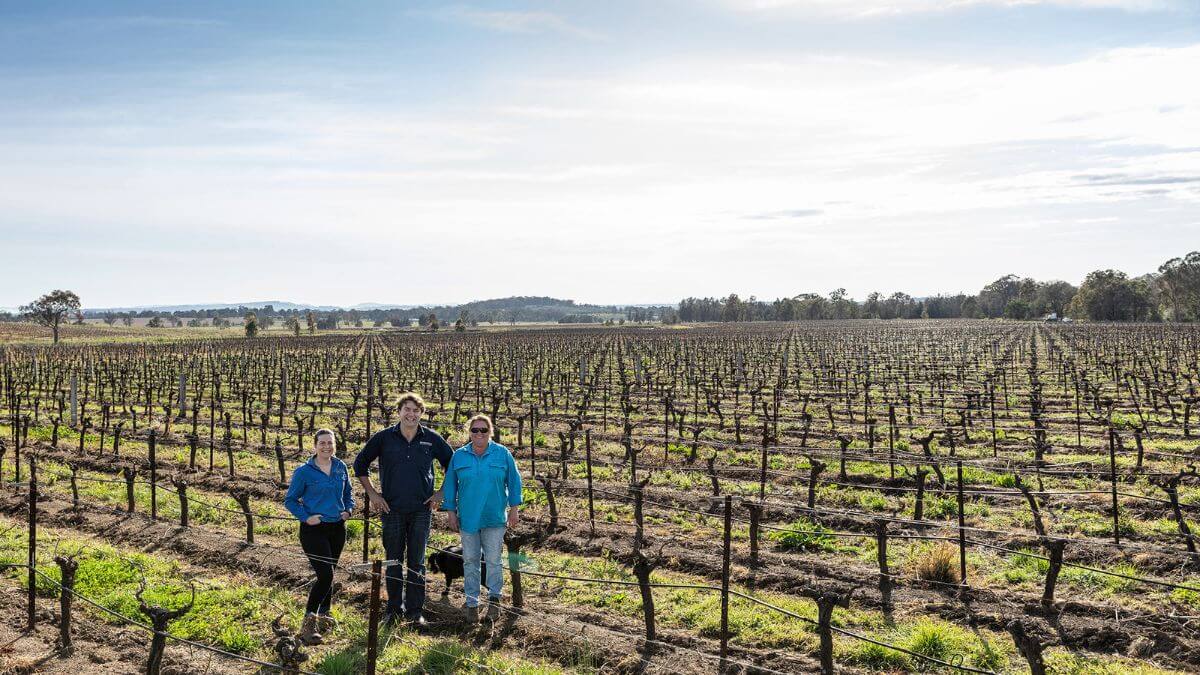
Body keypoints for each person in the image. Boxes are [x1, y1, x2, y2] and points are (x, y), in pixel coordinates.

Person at [354, 392, 453, 627]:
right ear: (399, 412)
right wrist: (373, 493)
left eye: (416, 410)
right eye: (407, 409)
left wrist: (441, 493)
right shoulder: (384, 438)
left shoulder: (431, 438)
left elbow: (454, 464)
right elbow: (360, 464)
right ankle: (393, 610)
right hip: (392, 509)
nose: (411, 414)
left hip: (422, 509)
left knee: (417, 561)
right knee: (394, 560)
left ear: (421, 413)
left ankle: (415, 612)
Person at [442, 414, 522, 622]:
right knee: (470, 560)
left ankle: (494, 600)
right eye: (475, 430)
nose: (479, 434)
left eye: (483, 430)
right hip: (468, 518)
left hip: (494, 517)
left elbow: (514, 481)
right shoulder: (459, 456)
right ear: (469, 432)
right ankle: (472, 603)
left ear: (490, 432)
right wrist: (451, 512)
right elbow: (450, 485)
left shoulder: (502, 454)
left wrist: (514, 509)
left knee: (494, 560)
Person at [284, 428, 354, 645]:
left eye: (330, 443)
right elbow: (290, 500)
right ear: (314, 446)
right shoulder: (304, 472)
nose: (327, 447)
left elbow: (348, 493)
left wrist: (349, 510)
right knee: (325, 576)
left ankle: (324, 615)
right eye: (322, 443)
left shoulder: (340, 466)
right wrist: (306, 517)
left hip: (337, 528)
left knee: (330, 574)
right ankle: (309, 621)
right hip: (314, 530)